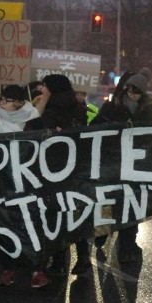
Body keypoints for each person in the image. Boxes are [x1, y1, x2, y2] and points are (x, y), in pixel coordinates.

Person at [91, 70, 152, 262]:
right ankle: (102, 234)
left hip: (137, 167)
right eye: (130, 89)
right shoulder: (111, 107)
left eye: (136, 91)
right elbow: (96, 128)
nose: (132, 94)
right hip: (113, 164)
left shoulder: (150, 110)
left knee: (133, 206)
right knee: (110, 202)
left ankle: (127, 245)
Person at [27, 73, 90, 280]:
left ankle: (59, 261)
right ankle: (82, 256)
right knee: (74, 212)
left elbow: (31, 129)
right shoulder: (78, 108)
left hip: (52, 170)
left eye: (45, 87)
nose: (42, 90)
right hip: (75, 170)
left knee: (55, 214)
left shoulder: (49, 110)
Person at [0, 84, 50, 287]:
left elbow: (40, 139)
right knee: (5, 220)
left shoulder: (30, 116)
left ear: (19, 103)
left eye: (7, 100)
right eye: (1, 98)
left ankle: (36, 269)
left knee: (31, 220)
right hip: (3, 176)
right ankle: (8, 268)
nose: (2, 103)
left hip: (27, 177)